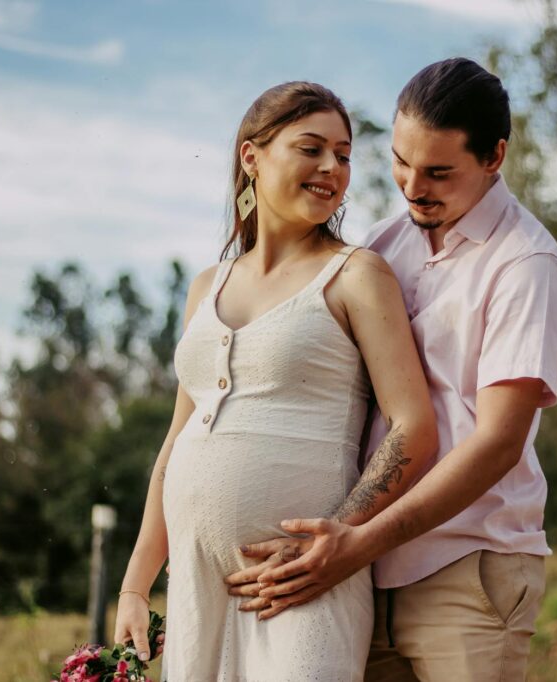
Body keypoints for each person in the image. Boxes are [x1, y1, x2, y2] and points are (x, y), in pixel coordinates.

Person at [225, 58, 557, 681]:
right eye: (399, 162)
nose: (413, 186)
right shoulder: (385, 246)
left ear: (494, 157)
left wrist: (357, 539)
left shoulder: (526, 265)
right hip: (363, 575)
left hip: (468, 569)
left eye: (439, 172)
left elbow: (497, 442)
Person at [113, 81, 437, 681]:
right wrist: (136, 584)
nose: (331, 168)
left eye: (343, 155)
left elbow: (414, 427)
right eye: (311, 148)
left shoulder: (357, 276)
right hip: (195, 585)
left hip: (301, 587)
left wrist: (340, 536)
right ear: (251, 157)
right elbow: (177, 442)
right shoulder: (206, 286)